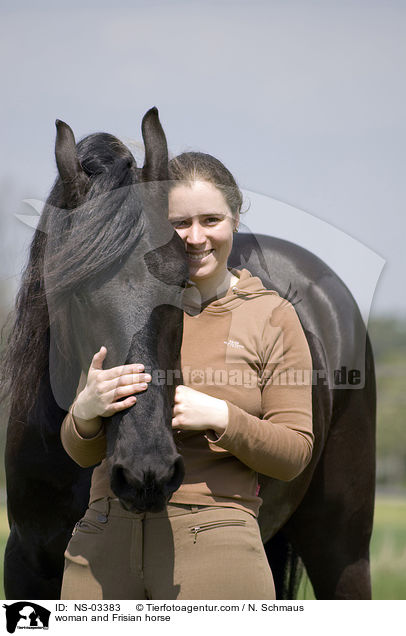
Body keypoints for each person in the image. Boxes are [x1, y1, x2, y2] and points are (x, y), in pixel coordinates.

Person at [60, 152, 313, 600]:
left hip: (214, 541)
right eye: (179, 223)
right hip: (103, 540)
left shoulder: (271, 316)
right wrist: (83, 413)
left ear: (235, 219)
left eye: (211, 219)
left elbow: (294, 454)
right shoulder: (124, 305)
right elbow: (83, 454)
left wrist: (222, 417)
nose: (196, 237)